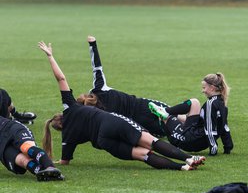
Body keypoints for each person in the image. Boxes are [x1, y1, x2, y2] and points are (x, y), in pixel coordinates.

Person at [38, 41, 205, 171]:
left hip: (104, 141)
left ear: (59, 128)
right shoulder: (70, 106)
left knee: (143, 155)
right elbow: (61, 79)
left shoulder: (68, 137)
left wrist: (57, 161)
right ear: (60, 114)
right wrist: (50, 56)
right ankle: (189, 159)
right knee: (151, 142)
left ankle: (181, 167)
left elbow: (65, 161)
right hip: (110, 122)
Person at [76, 36, 169, 137]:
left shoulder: (99, 116)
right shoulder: (99, 88)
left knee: (171, 131)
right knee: (175, 115)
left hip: (138, 124)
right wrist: (92, 44)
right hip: (142, 105)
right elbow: (97, 67)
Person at [148, 72, 234, 156]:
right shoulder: (222, 103)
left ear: (212, 88)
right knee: (194, 102)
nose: (202, 91)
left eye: (204, 88)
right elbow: (224, 127)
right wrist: (228, 146)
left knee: (164, 117)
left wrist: (213, 149)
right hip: (198, 138)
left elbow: (209, 129)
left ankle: (170, 138)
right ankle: (167, 111)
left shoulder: (211, 104)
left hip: (190, 140)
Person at [0, 90, 64, 181]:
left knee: (26, 148)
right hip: (1, 145)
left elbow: (8, 104)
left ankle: (50, 167)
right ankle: (45, 173)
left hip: (9, 127)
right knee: (23, 161)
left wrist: (16, 115)